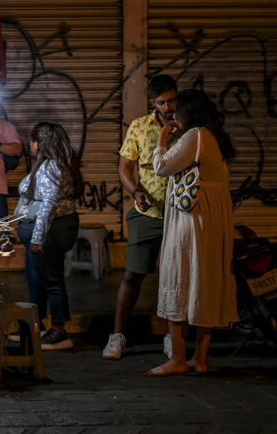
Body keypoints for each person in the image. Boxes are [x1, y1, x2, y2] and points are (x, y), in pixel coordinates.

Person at [146, 89, 237, 376]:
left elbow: (161, 167)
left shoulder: (195, 135)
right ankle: (200, 358)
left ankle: (177, 360)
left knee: (180, 277)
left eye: (177, 110)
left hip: (191, 221)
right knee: (203, 283)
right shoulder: (216, 137)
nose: (172, 114)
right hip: (211, 220)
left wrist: (162, 138)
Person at [102, 74, 179, 360]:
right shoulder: (139, 126)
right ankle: (117, 336)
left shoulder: (188, 127)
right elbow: (125, 168)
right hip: (147, 213)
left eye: (172, 100)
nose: (168, 106)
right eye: (162, 102)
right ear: (152, 102)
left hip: (181, 214)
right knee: (133, 275)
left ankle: (174, 338)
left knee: (175, 279)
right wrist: (136, 192)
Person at [14, 122, 83, 350]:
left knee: (52, 280)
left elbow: (48, 205)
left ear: (39, 144)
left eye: (32, 141)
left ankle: (59, 332)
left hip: (49, 232)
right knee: (38, 279)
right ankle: (38, 327)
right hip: (44, 231)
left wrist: (37, 238)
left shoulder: (50, 168)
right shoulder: (54, 165)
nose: (30, 145)